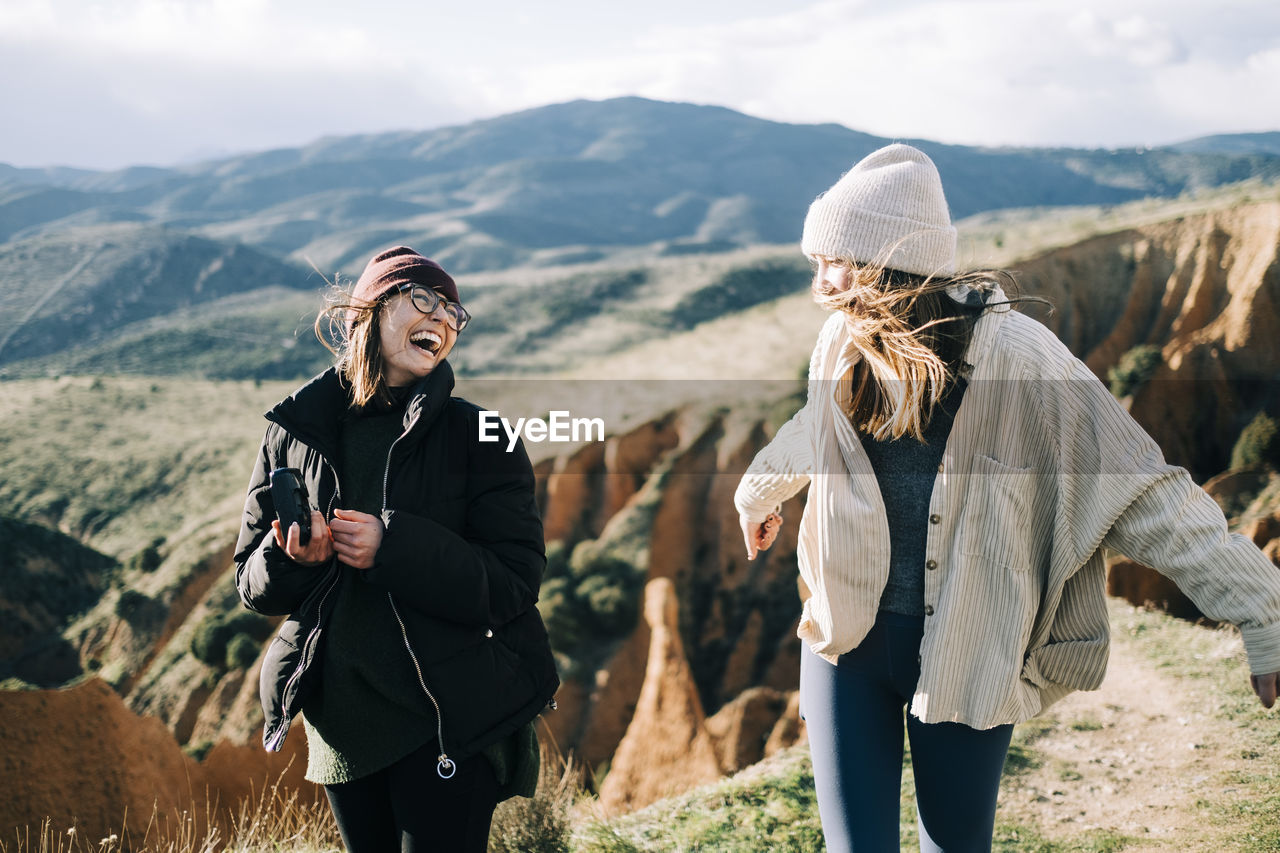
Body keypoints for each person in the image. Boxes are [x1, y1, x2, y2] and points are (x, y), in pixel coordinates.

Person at [733, 144, 1280, 852]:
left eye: (832, 260)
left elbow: (1143, 489)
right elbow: (818, 429)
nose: (819, 282)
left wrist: (1261, 607)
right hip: (844, 646)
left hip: (971, 652)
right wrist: (759, 491)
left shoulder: (1023, 360)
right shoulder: (840, 340)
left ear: (883, 262)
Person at [234, 246, 559, 853]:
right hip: (344, 728)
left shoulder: (482, 438)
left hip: (444, 718)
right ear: (370, 311)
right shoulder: (295, 431)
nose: (442, 319)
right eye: (423, 300)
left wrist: (394, 546)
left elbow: (514, 583)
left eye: (453, 313)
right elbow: (251, 584)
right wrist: (291, 557)